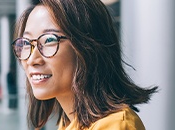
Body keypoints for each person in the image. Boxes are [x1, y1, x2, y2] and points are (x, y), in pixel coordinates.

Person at [11, 0, 158, 129]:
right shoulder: (69, 122)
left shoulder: (115, 125)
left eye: (49, 40)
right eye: (26, 43)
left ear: (88, 48)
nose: (32, 59)